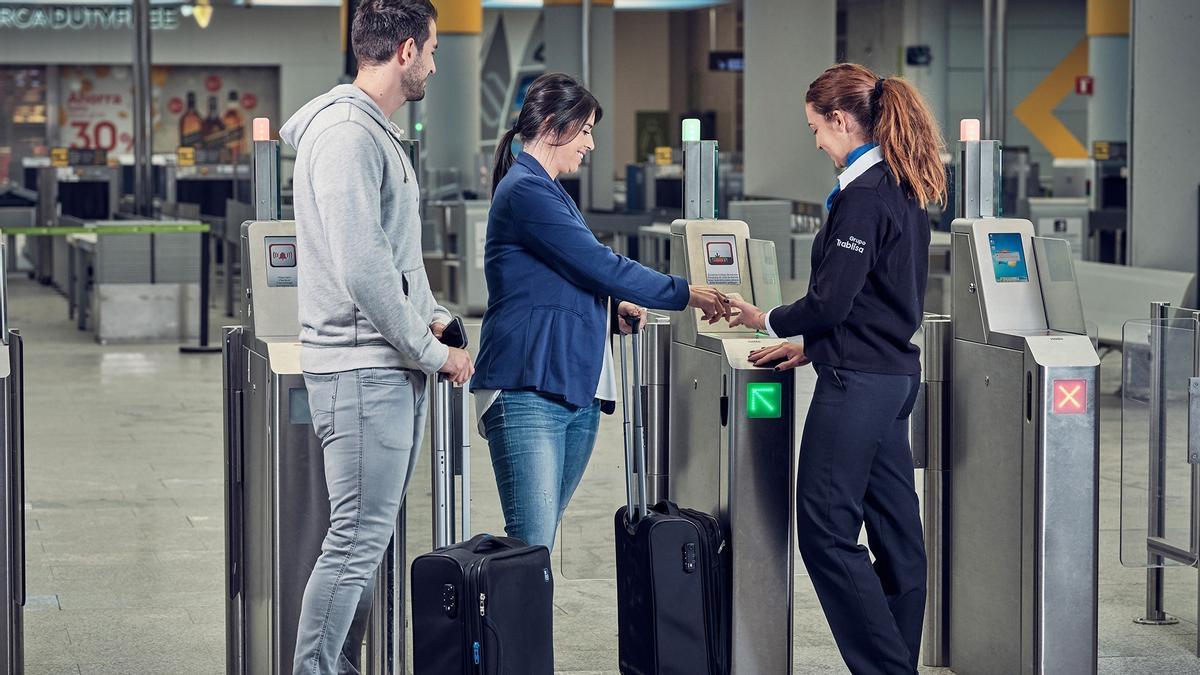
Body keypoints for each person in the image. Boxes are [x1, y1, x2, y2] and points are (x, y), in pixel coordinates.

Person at [727, 64, 944, 675]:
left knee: (824, 530)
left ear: (842, 120)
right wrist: (814, 348)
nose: (816, 140)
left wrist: (768, 319)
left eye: (816, 128)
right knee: (898, 537)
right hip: (891, 378)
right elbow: (876, 302)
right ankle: (895, 659)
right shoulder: (904, 188)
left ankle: (887, 670)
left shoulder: (861, 199)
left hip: (857, 389)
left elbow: (831, 302)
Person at [280, 2, 473, 673]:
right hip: (365, 373)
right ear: (406, 51)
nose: (437, 63)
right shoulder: (347, 137)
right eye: (435, 51)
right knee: (354, 544)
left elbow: (391, 258)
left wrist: (433, 313)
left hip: (380, 367)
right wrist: (430, 350)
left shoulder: (373, 134)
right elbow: (362, 270)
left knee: (363, 540)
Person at [470, 72, 730, 552]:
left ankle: (519, 626)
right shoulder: (525, 190)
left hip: (572, 386)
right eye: (585, 130)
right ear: (553, 126)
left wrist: (610, 311)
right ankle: (497, 628)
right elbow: (598, 264)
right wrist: (684, 292)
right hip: (529, 387)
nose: (590, 144)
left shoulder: (552, 193)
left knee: (536, 546)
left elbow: (564, 279)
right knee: (530, 547)